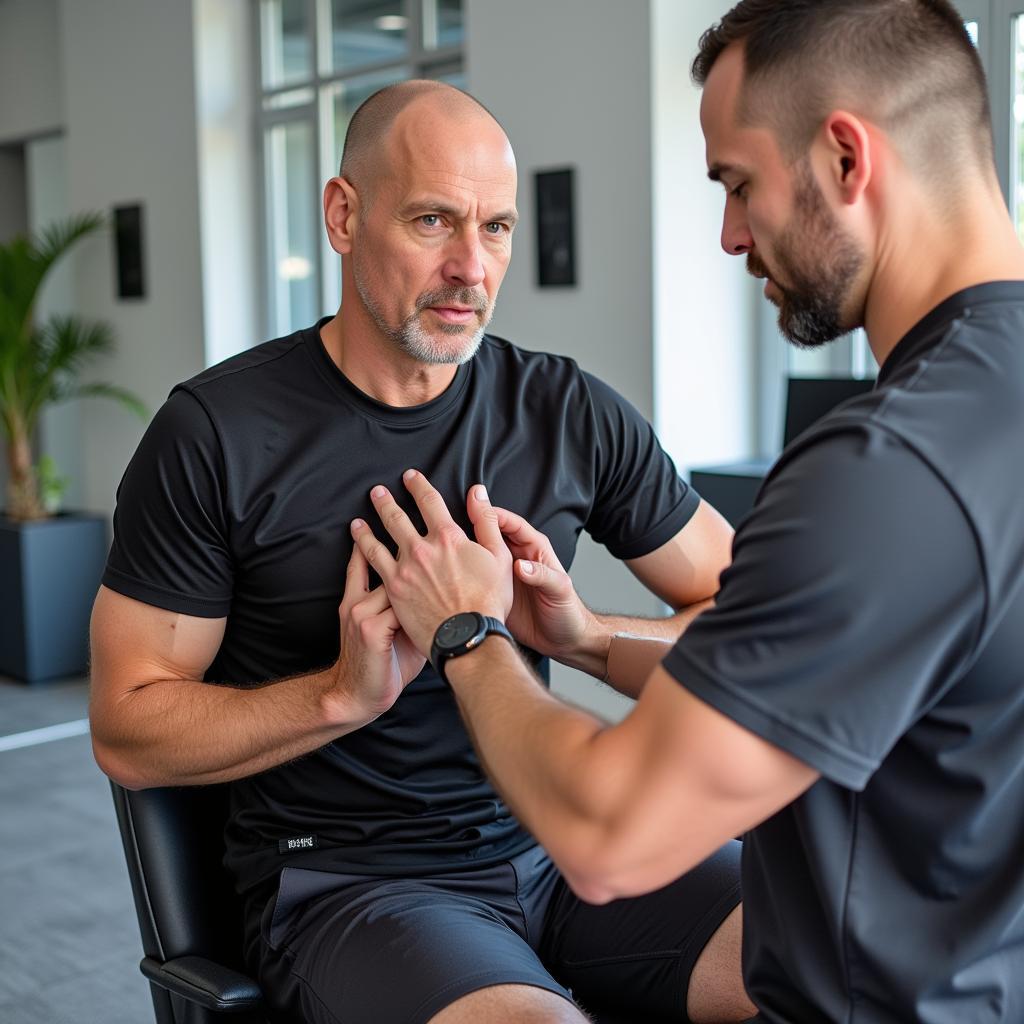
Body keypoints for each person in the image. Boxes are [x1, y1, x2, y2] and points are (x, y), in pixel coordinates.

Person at [348, 3, 1024, 1022]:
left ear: (846, 156)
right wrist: (582, 639)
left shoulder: (885, 469)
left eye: (738, 184)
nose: (728, 235)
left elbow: (610, 835)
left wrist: (467, 628)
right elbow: (833, 682)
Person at [88, 80, 756, 1024]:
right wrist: (338, 696)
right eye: (434, 220)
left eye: (495, 228)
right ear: (343, 215)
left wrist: (580, 634)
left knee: (827, 954)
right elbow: (125, 728)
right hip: (353, 886)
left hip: (562, 828)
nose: (471, 269)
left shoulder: (567, 412)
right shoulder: (215, 435)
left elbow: (751, 626)